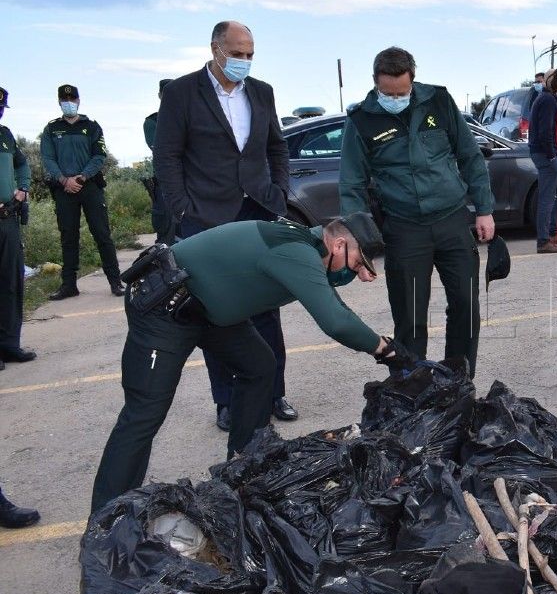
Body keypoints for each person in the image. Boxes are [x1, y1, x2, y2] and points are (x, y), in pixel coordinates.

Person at [90, 213, 407, 512]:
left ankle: (239, 468)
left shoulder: (307, 247)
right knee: (144, 413)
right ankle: (105, 524)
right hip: (163, 304)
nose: (358, 274)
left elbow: (336, 308)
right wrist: (382, 348)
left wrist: (383, 345)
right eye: (357, 264)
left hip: (208, 309)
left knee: (258, 366)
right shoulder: (296, 251)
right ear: (338, 245)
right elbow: (335, 321)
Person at [155, 21, 298, 430]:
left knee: (266, 308)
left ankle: (274, 392)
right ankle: (228, 401)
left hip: (258, 209)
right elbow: (167, 157)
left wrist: (279, 192)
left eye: (250, 54)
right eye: (237, 53)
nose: (245, 61)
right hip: (206, 217)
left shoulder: (262, 92)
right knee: (218, 313)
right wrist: (182, 209)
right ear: (216, 49)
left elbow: (276, 146)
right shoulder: (181, 92)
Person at [339, 46, 496, 377]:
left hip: (452, 221)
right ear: (375, 83)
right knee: (410, 317)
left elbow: (469, 155)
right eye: (387, 93)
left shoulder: (438, 101)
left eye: (402, 92)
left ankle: (459, 382)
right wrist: (360, 243)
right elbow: (352, 186)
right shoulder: (361, 121)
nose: (395, 98)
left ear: (413, 80)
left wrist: (484, 209)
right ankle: (412, 387)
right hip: (405, 229)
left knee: (466, 308)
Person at [39, 84, 124, 300]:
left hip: (90, 186)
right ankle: (69, 285)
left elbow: (99, 156)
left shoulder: (92, 126)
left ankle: (116, 282)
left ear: (78, 101)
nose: (69, 102)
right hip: (64, 189)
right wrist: (64, 179)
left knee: (102, 234)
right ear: (59, 102)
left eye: (72, 99)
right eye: (64, 99)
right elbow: (48, 158)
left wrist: (81, 177)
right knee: (69, 237)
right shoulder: (51, 129)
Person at [0, 86, 36, 370]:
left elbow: (23, 165)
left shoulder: (5, 135)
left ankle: (9, 344)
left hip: (8, 219)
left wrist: (22, 188)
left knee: (11, 282)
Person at [528, 68, 557, 254]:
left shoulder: (547, 99)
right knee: (547, 198)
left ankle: (552, 233)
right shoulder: (548, 100)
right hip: (546, 155)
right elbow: (545, 133)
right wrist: (552, 157)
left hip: (546, 153)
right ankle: (543, 241)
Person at [143, 78, 174, 244]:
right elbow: (162, 148)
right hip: (167, 184)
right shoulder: (153, 122)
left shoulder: (192, 118)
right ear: (160, 95)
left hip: (192, 183)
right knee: (166, 231)